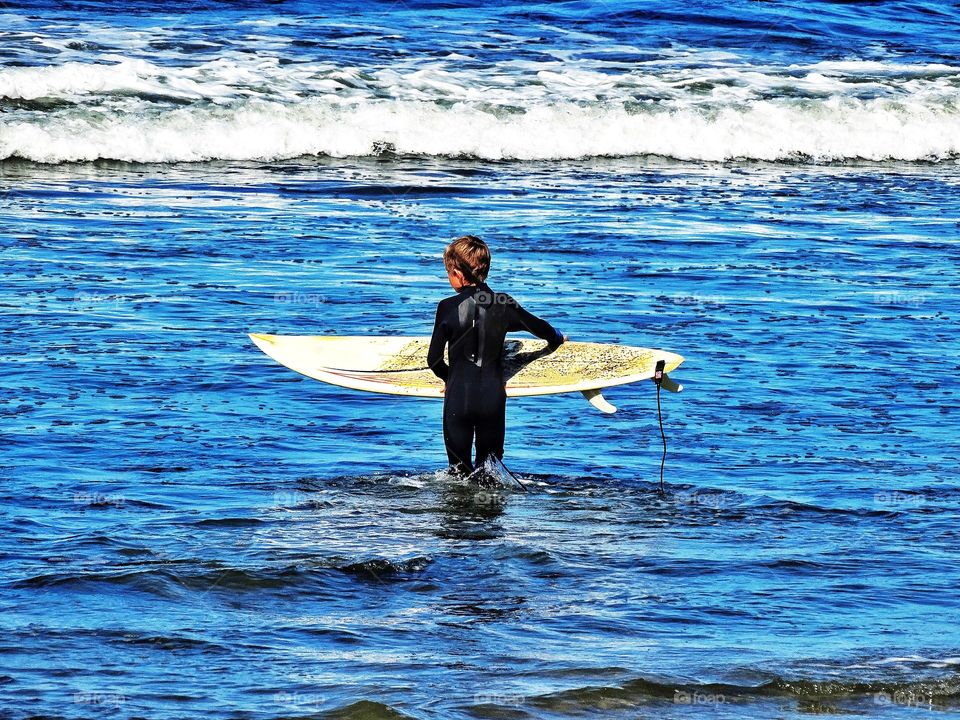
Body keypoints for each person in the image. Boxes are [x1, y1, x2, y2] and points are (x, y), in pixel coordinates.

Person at [427, 235, 566, 476]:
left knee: (458, 473)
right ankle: (490, 510)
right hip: (492, 400)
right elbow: (539, 327)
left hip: (458, 400)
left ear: (458, 273)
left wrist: (450, 380)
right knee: (490, 472)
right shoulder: (503, 304)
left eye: (448, 272)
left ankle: (459, 513)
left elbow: (434, 360)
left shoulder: (447, 307)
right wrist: (557, 336)